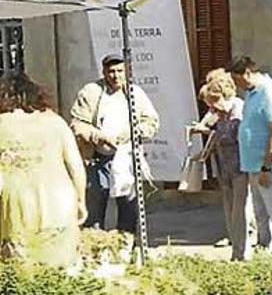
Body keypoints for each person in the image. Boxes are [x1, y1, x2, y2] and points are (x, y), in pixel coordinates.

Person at [0, 73, 87, 269]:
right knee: (61, 269)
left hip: (17, 206)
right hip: (60, 201)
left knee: (21, 272)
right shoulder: (54, 121)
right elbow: (76, 166)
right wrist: (81, 201)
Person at [69, 54, 159, 236]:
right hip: (97, 156)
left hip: (125, 156)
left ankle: (125, 242)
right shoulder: (91, 92)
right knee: (95, 200)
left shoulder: (135, 94)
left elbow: (151, 122)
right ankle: (94, 242)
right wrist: (97, 136)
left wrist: (134, 133)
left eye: (119, 71)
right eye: (111, 71)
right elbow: (77, 123)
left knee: (128, 201)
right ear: (104, 72)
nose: (115, 76)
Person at [229, 55, 272, 253]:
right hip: (252, 164)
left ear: (247, 73)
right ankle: (264, 245)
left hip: (269, 165)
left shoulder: (269, 92)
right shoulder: (251, 93)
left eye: (237, 79)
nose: (236, 85)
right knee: (261, 211)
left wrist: (267, 165)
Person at [189, 70, 256, 260]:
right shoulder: (218, 112)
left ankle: (243, 251)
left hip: (241, 165)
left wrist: (209, 131)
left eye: (214, 103)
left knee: (241, 209)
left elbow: (234, 135)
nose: (212, 109)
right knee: (229, 208)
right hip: (224, 165)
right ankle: (236, 249)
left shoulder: (238, 109)